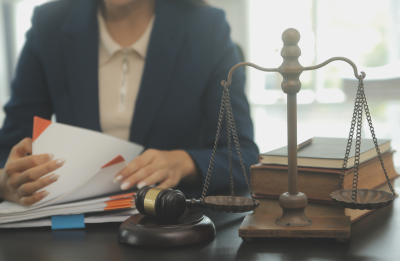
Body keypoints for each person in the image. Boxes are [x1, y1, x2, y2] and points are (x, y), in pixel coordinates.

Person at [0, 0, 258, 206]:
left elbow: (243, 156)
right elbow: (10, 148)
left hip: (172, 223)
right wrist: (6, 182)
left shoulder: (207, 28)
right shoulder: (49, 23)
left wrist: (185, 162)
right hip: (73, 224)